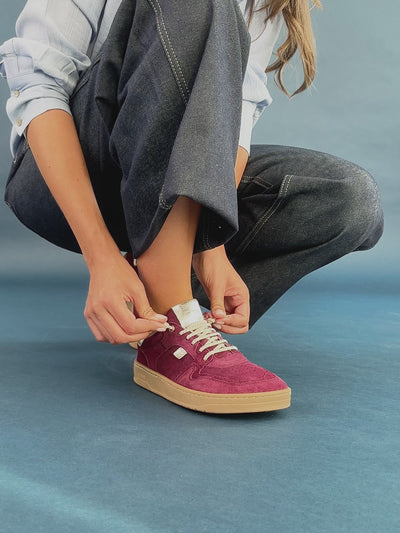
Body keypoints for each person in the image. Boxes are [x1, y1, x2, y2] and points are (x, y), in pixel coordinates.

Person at [0, 0, 383, 414]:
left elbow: (235, 111)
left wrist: (210, 244)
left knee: (349, 199)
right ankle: (172, 316)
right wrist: (101, 256)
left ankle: (154, 298)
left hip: (169, 178)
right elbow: (38, 87)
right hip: (65, 172)